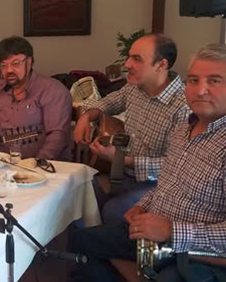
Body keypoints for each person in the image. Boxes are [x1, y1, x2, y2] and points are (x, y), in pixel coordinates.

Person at [72, 43, 226, 282]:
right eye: (193, 80)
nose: (200, 90)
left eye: (215, 81)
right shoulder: (186, 126)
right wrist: (144, 204)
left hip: (216, 257)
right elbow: (168, 182)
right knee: (84, 242)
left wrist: (171, 231)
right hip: (162, 235)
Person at [74, 33, 190, 223]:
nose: (127, 64)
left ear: (161, 65)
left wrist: (122, 159)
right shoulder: (134, 88)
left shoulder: (184, 106)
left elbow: (177, 166)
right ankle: (87, 241)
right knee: (77, 192)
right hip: (125, 176)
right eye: (129, 57)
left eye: (137, 59)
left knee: (113, 211)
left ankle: (107, 240)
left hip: (159, 186)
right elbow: (107, 103)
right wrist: (86, 117)